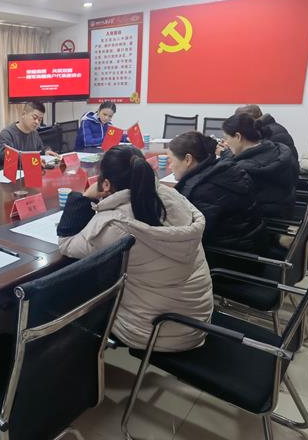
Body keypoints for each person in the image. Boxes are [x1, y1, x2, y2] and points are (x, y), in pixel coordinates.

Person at [56, 145, 213, 352]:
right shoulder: (172, 196)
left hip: (155, 331)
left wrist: (86, 197)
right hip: (196, 319)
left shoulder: (114, 224)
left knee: (76, 288)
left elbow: (67, 244)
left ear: (106, 183)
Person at [168, 131, 267, 252]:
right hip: (252, 244)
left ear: (188, 159)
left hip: (228, 256)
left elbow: (193, 237)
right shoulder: (224, 170)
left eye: (171, 161)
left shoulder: (201, 191)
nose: (170, 166)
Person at [221, 113, 299, 218]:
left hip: (259, 219)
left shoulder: (243, 169)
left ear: (238, 137)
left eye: (226, 138)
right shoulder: (276, 150)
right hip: (282, 209)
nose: (226, 143)